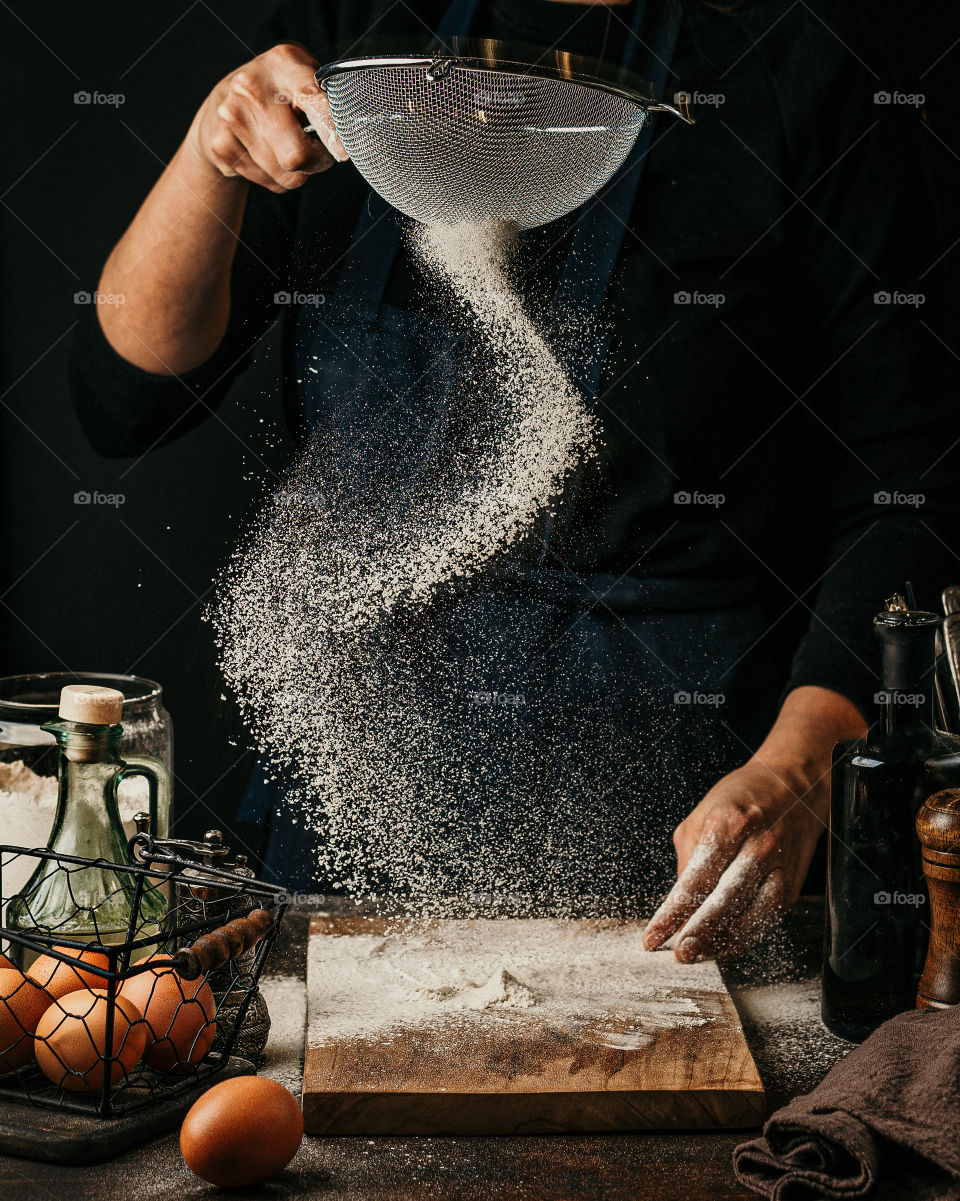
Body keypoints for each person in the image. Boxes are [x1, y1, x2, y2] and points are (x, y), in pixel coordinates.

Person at [70, 0, 959, 962]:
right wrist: (213, 151)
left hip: (678, 828)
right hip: (355, 794)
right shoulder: (352, 29)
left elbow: (910, 486)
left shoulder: (796, 63)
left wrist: (801, 772)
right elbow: (127, 399)